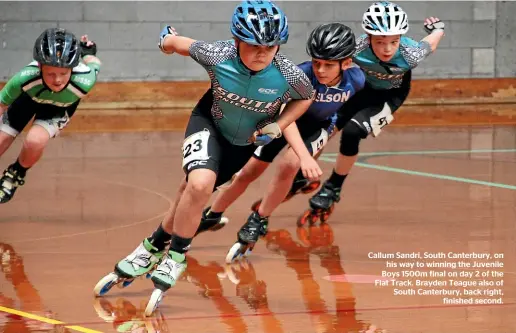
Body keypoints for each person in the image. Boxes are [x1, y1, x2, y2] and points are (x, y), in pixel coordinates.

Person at [94, 0, 317, 317]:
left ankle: (152, 246)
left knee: (190, 193)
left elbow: (306, 98)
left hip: (242, 145)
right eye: (253, 46)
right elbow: (181, 43)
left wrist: (279, 125)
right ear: (237, 40)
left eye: (270, 46)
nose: (262, 53)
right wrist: (166, 41)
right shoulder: (218, 54)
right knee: (199, 185)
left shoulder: (289, 75)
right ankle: (176, 256)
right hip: (208, 125)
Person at [193, 23, 365, 263]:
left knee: (289, 164)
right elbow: (287, 117)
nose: (321, 70)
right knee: (247, 173)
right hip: (285, 122)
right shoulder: (300, 75)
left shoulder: (357, 79)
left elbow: (347, 111)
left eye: (328, 65)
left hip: (318, 127)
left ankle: (259, 219)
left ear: (346, 63)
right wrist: (306, 155)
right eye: (316, 62)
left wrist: (316, 148)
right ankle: (213, 214)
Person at [294, 1, 446, 225]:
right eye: (380, 42)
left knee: (353, 132)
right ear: (367, 37)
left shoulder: (410, 53)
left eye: (394, 42)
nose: (387, 49)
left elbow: (430, 44)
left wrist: (438, 29)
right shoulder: (355, 48)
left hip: (388, 97)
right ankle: (300, 176)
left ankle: (333, 187)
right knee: (325, 128)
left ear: (401, 38)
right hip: (359, 91)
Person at [0, 28, 101, 204]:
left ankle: (16, 173)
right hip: (28, 99)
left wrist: (88, 51)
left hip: (58, 109)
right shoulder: (24, 78)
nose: (57, 80)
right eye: (50, 73)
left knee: (35, 141)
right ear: (39, 67)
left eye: (64, 73)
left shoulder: (85, 80)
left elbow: (94, 63)